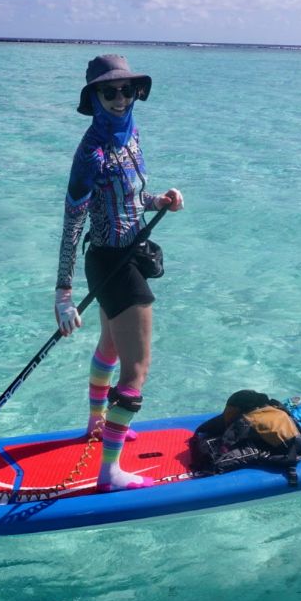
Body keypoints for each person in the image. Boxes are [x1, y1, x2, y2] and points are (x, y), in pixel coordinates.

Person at [53, 54, 184, 493]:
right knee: (137, 369)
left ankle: (95, 425)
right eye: (108, 91)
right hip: (110, 261)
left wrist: (159, 201)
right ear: (94, 97)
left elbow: (132, 196)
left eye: (126, 89)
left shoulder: (131, 136)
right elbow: (73, 222)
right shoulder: (90, 154)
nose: (119, 98)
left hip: (122, 255)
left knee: (109, 346)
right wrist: (63, 293)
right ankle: (109, 472)